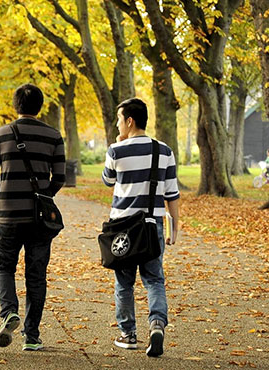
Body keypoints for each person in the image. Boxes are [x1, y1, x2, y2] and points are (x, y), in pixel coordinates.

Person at [0, 83, 66, 351]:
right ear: (40, 106)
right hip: (40, 220)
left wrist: (5, 198)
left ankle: (9, 312)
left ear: (15, 105)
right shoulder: (54, 136)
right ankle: (31, 336)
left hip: (7, 217)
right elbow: (60, 177)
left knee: (2, 266)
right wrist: (43, 198)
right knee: (36, 275)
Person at [101, 97, 180, 357]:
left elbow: (107, 180)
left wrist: (117, 148)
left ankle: (128, 334)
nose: (117, 124)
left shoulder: (116, 150)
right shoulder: (165, 151)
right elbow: (172, 194)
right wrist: (174, 228)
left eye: (119, 119)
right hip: (151, 224)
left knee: (124, 283)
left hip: (122, 227)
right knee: (154, 278)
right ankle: (157, 324)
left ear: (130, 121)